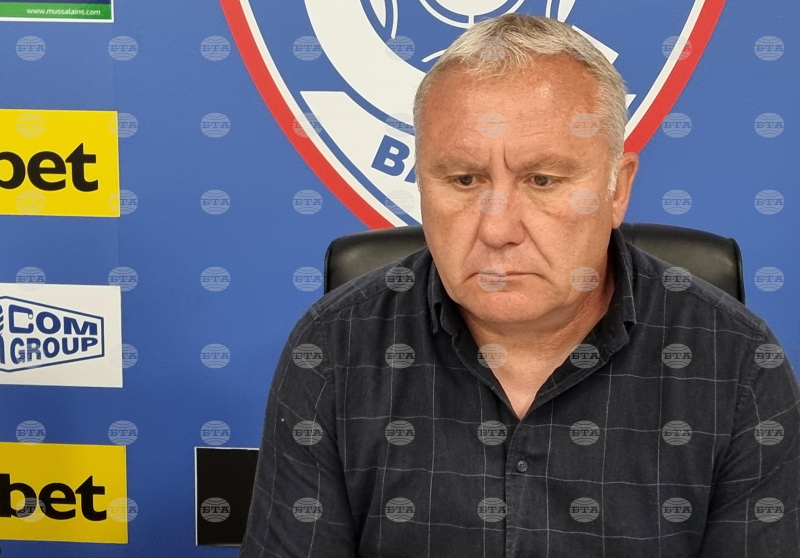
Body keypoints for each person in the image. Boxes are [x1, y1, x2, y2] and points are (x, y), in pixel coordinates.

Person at [239, 13, 800, 557]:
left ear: (616, 189)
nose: (497, 228)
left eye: (542, 180)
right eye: (464, 179)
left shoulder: (737, 363)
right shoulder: (334, 348)